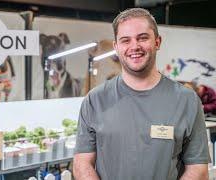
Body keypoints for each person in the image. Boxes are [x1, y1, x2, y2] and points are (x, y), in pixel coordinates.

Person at [73, 8, 210, 180]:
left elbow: (198, 169)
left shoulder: (187, 101)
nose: (134, 46)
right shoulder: (95, 100)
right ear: (116, 47)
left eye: (142, 38)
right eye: (125, 40)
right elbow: (82, 165)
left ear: (157, 42)